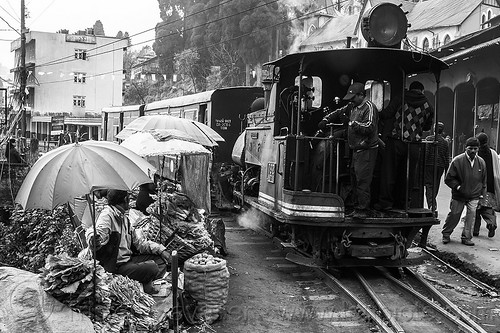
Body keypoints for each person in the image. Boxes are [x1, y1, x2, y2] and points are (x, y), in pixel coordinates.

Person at [86, 189, 171, 294]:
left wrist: (161, 250)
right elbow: (96, 232)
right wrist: (94, 239)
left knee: (160, 261)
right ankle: (139, 282)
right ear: (125, 199)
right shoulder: (107, 215)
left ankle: (143, 280)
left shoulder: (124, 218)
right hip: (116, 266)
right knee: (152, 267)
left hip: (129, 260)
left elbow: (140, 243)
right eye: (129, 198)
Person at [376, 81, 434, 210]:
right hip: (414, 145)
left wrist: (376, 112)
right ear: (422, 91)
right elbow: (427, 127)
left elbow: (388, 114)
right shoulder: (428, 105)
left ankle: (385, 203)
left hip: (396, 140)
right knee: (407, 176)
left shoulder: (401, 98)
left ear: (411, 89)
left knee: (389, 173)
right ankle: (403, 204)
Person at [341, 82, 379, 218]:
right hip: (357, 149)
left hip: (366, 150)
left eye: (353, 97)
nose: (351, 100)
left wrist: (353, 124)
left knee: (362, 180)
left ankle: (362, 209)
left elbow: (369, 126)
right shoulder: (355, 108)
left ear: (361, 95)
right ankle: (357, 206)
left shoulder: (369, 107)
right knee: (355, 178)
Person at [442, 137, 486, 246]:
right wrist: (458, 187)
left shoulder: (481, 162)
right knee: (454, 215)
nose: (473, 151)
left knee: (471, 217)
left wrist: (482, 197)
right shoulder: (457, 160)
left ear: (478, 149)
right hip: (459, 195)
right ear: (465, 148)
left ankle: (466, 237)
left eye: (475, 148)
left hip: (474, 195)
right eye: (470, 148)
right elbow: (449, 178)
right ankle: (446, 234)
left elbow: (484, 181)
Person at [473, 133, 500, 238]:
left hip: (477, 185)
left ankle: (475, 230)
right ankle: (491, 224)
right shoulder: (492, 152)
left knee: (475, 208)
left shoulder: (476, 153)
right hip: (490, 185)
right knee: (488, 208)